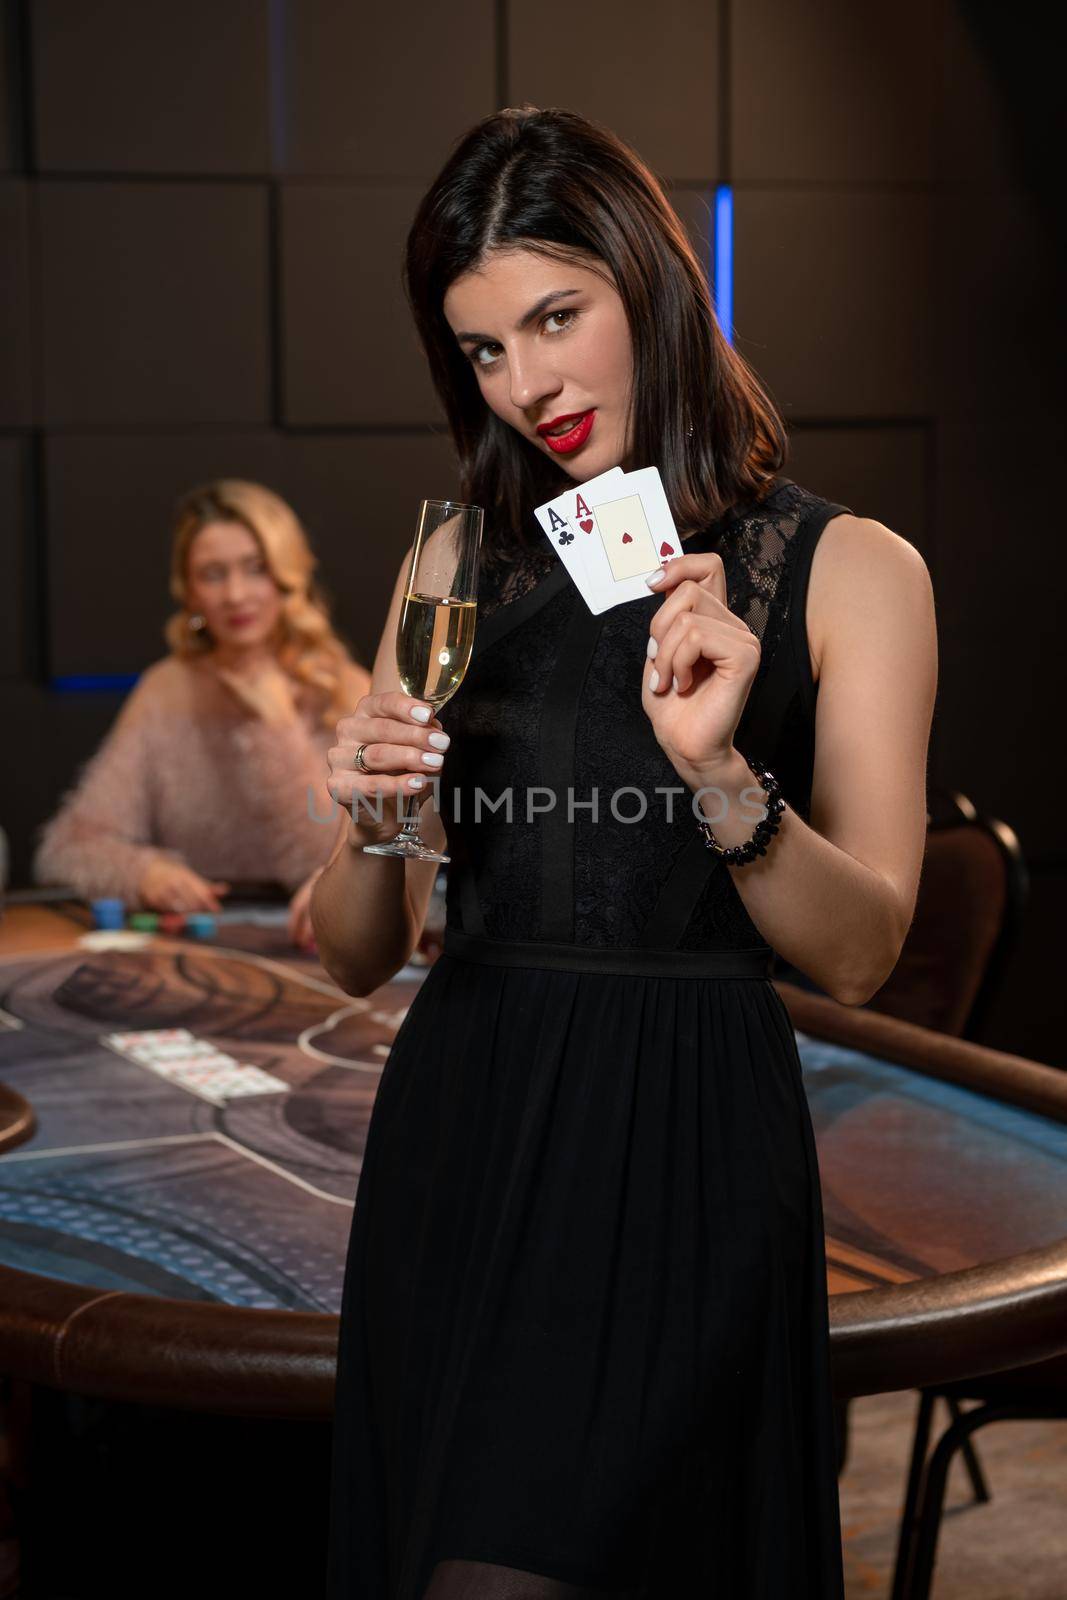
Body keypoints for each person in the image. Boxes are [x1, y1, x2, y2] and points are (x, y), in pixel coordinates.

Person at [314, 106, 937, 1599]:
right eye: (479, 350)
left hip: (683, 1141)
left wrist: (717, 772)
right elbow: (356, 948)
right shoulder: (452, 560)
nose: (524, 384)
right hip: (464, 1117)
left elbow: (860, 952)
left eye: (552, 317)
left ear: (649, 282)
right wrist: (371, 806)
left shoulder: (850, 570)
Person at [33, 479, 370, 948]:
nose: (235, 595)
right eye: (213, 574)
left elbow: (330, 861)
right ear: (188, 591)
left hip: (320, 949)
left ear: (289, 576)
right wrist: (144, 873)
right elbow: (69, 846)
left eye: (255, 569)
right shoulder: (165, 690)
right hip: (199, 943)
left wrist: (275, 726)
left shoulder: (345, 687)